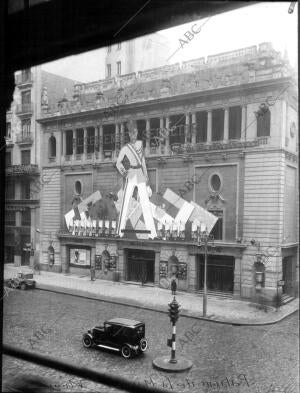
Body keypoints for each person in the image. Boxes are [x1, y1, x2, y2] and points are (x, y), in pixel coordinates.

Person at [116, 120, 157, 239]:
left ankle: (153, 234)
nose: (133, 135)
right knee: (125, 202)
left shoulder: (139, 144)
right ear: (129, 134)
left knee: (145, 203)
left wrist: (146, 176)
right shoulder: (125, 148)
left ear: (137, 133)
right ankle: (119, 232)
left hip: (140, 175)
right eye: (131, 133)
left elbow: (142, 161)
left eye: (134, 132)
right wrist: (125, 173)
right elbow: (118, 163)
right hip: (131, 174)